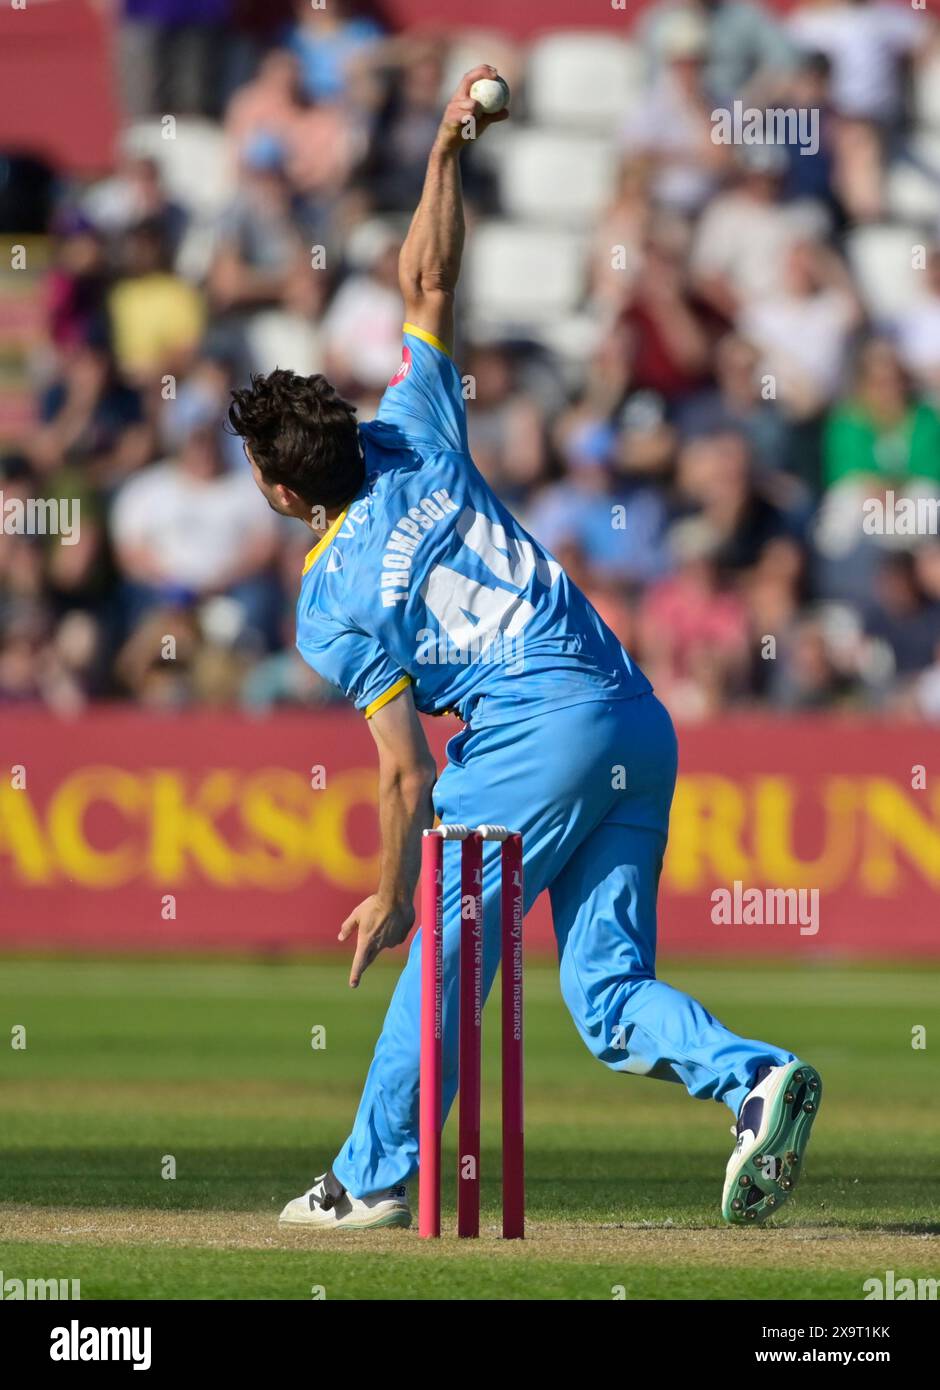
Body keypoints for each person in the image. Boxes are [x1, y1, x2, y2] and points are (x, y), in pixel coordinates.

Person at [227, 66, 822, 1232]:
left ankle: (368, 1179)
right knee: (605, 998)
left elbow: (402, 768)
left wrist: (394, 892)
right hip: (634, 721)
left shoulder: (327, 600)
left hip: (531, 737)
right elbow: (432, 273)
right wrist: (449, 148)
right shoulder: (413, 430)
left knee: (439, 974)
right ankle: (752, 1079)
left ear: (284, 489)